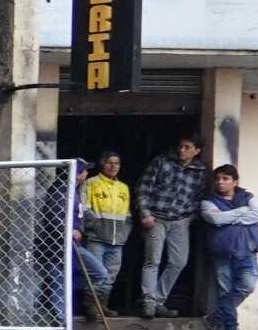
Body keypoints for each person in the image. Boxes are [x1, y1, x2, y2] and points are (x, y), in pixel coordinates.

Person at [134, 135, 206, 317]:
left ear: (196, 151)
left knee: (179, 261)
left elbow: (199, 198)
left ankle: (159, 299)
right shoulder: (162, 162)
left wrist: (190, 217)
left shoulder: (200, 171)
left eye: (187, 147)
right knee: (153, 260)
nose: (182, 150)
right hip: (156, 218)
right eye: (180, 146)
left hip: (180, 220)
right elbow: (143, 188)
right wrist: (145, 213)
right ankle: (148, 302)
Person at [197, 164, 258, 330]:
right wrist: (242, 213)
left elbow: (256, 216)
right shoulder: (208, 202)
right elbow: (215, 219)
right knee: (226, 291)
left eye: (225, 179)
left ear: (235, 181)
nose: (220, 182)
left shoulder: (247, 197)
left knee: (247, 286)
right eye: (218, 179)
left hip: (247, 251)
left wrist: (229, 216)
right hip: (223, 253)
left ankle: (214, 319)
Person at [75, 152, 130, 319]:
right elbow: (84, 208)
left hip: (117, 239)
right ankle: (90, 306)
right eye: (109, 163)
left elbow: (127, 214)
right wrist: (95, 227)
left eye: (117, 163)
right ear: (102, 164)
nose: (113, 166)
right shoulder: (92, 183)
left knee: (110, 275)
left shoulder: (123, 187)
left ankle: (101, 305)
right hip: (96, 238)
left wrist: (125, 232)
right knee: (96, 274)